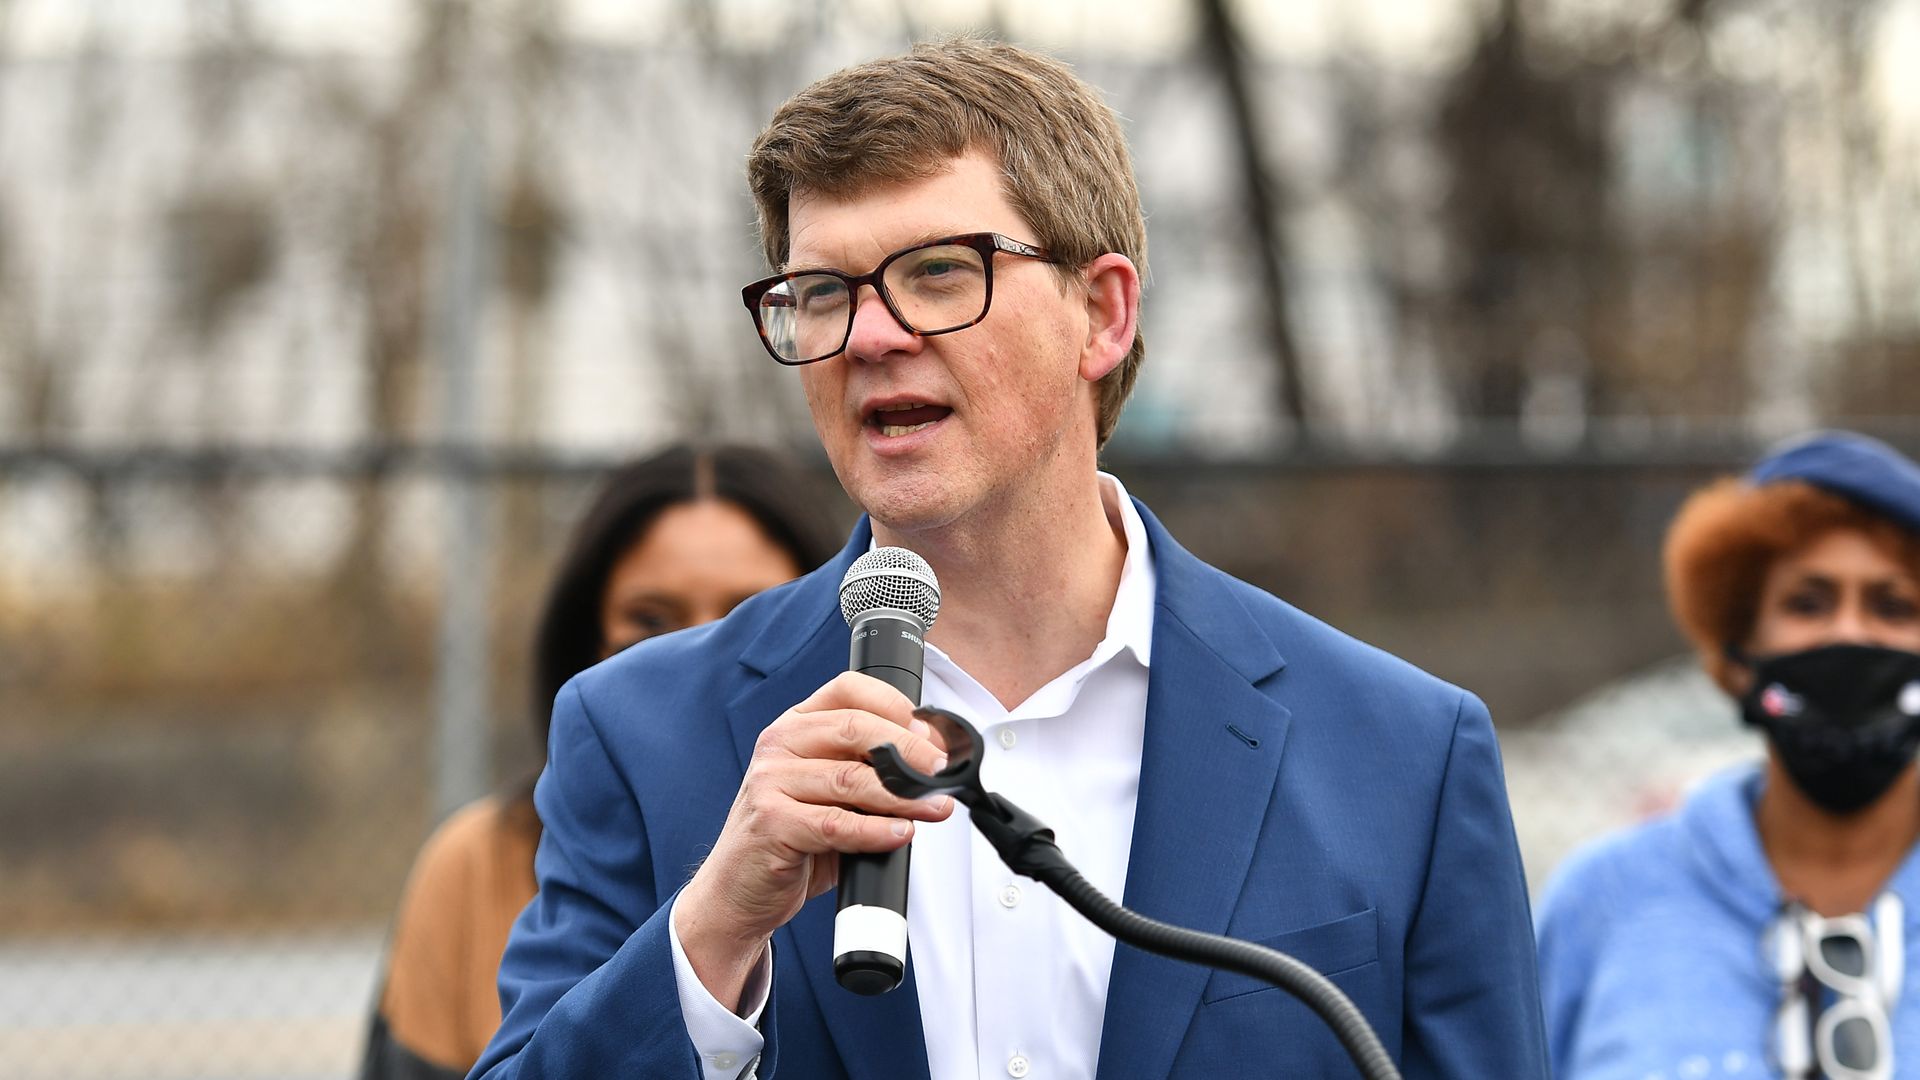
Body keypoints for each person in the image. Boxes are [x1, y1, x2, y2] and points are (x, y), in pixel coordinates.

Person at [474, 38, 1548, 1080]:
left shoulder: (1403, 753)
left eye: (940, 272)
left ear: (1104, 313)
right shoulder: (638, 736)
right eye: (822, 293)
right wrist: (712, 933)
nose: (869, 335)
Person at [358, 444, 843, 1080]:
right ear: (587, 639)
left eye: (744, 619)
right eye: (650, 619)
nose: (697, 656)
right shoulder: (477, 862)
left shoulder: (872, 853)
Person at [1535, 430, 1920, 1078]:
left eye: (1894, 605)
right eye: (1808, 602)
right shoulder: (1600, 903)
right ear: (1737, 653)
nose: (1850, 634)